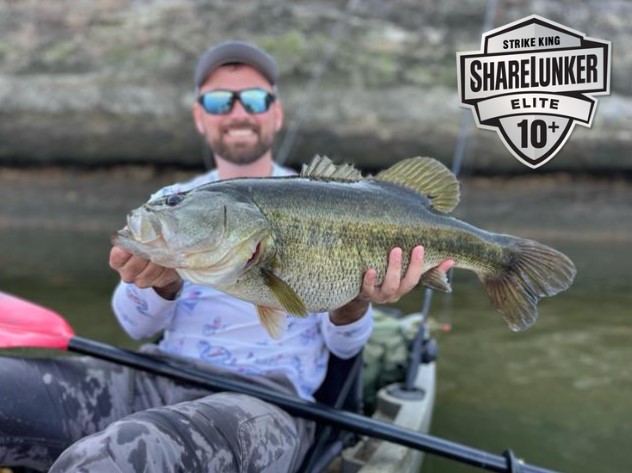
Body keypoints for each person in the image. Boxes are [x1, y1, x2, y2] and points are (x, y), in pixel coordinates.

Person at [0, 41, 454, 473]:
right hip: (153, 377)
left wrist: (355, 302)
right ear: (201, 117)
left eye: (254, 99)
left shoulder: (334, 203)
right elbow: (135, 326)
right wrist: (162, 283)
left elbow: (345, 348)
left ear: (276, 113)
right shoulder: (172, 201)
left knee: (120, 454)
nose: (238, 112)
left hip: (267, 407)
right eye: (220, 102)